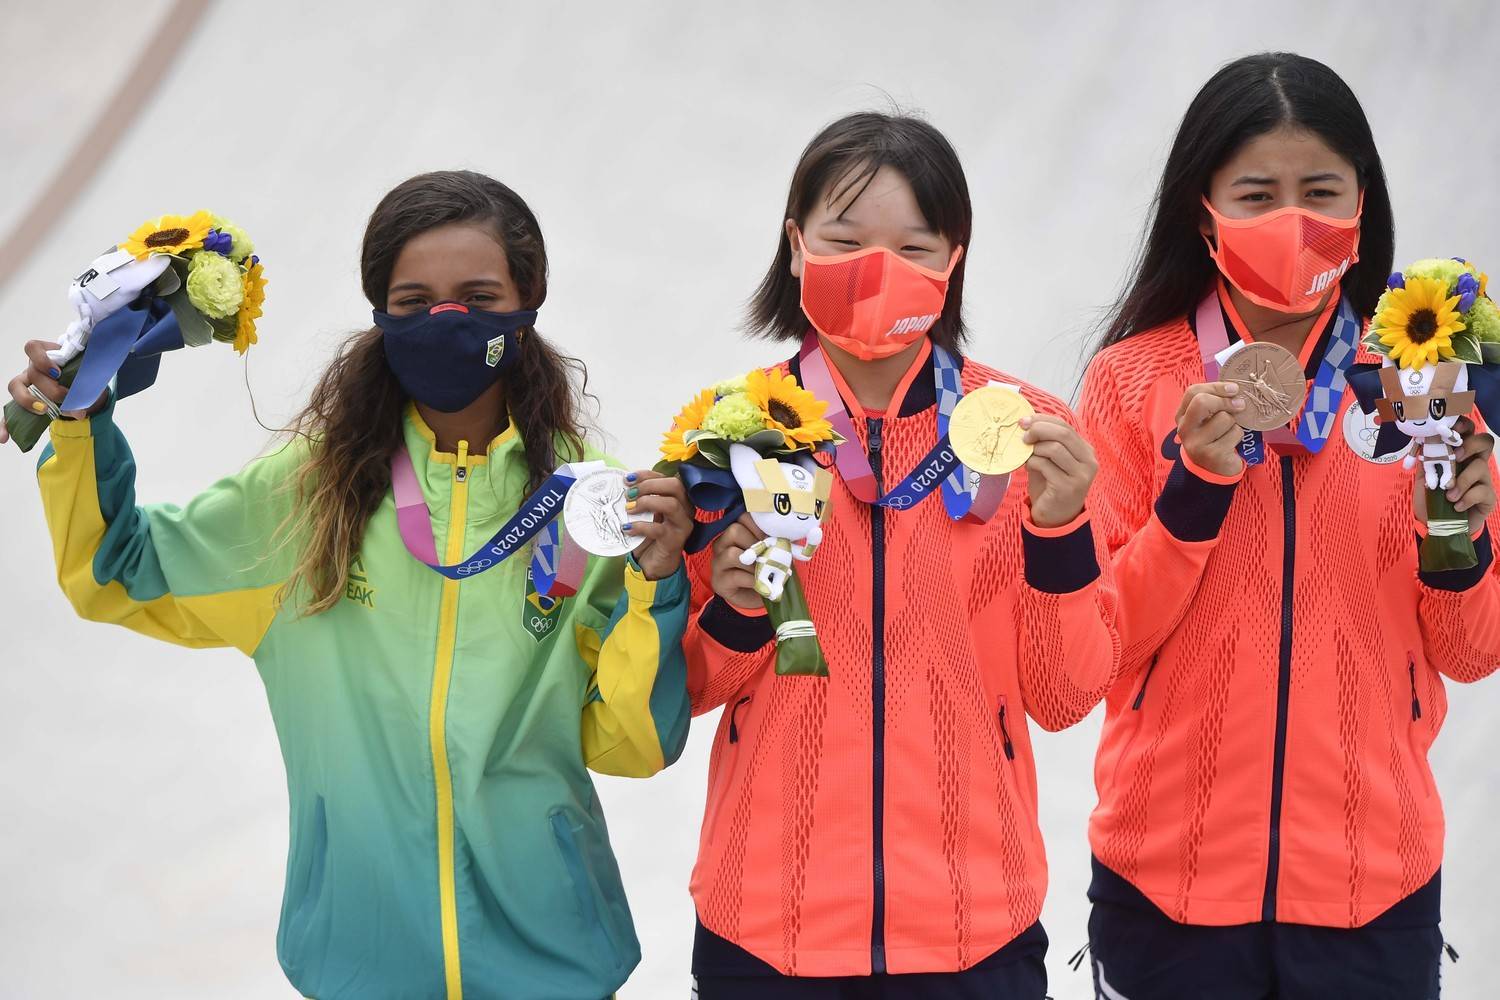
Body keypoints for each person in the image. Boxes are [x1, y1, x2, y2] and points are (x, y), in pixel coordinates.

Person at [7, 170, 694, 1000]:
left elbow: (632, 746)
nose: (446, 320)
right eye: (413, 302)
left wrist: (659, 586)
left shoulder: (590, 509)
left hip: (550, 961)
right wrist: (80, 425)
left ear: (529, 302)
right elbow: (118, 574)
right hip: (360, 960)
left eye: (478, 296)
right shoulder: (302, 498)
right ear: (379, 314)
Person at [1078, 53, 1500, 999]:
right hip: (1166, 884)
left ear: (1362, 207)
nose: (1292, 223)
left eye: (1320, 192)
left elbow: (1471, 654)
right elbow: (1094, 648)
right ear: (1204, 211)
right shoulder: (1134, 383)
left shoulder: (1421, 390)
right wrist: (1191, 497)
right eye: (1257, 194)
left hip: (1373, 887)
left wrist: (1464, 549)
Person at [682, 111, 1121, 999]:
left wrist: (1061, 530)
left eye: (914, 248)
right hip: (767, 927)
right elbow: (691, 690)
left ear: (953, 259)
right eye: (846, 242)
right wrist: (731, 605)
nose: (879, 272)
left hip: (973, 925)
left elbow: (1065, 696)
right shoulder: (731, 436)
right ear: (797, 245)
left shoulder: (1026, 431)